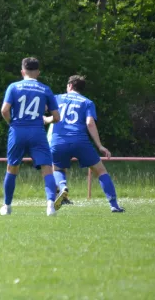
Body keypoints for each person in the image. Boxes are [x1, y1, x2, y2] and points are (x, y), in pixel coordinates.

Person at [45, 75, 125, 212]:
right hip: (80, 141)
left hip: (59, 141)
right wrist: (99, 145)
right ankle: (114, 205)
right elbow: (90, 123)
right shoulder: (87, 102)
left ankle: (62, 186)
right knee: (100, 171)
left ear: (70, 85)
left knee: (57, 169)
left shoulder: (57, 98)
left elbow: (45, 108)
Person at [0, 57, 61, 216]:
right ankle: (50, 206)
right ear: (38, 72)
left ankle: (6, 206)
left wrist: (11, 123)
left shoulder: (13, 87)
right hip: (37, 132)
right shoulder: (45, 89)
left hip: (18, 130)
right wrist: (46, 119)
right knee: (47, 168)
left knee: (12, 168)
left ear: (22, 71)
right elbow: (56, 117)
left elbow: (4, 110)